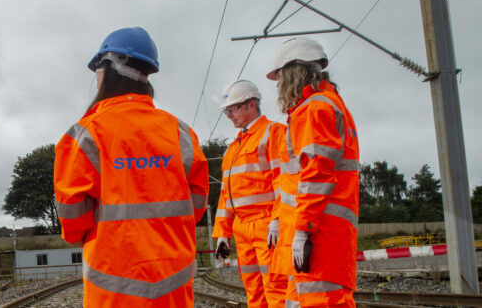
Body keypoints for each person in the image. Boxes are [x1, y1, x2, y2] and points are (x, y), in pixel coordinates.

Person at [54, 27, 209, 307]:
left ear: (108, 68)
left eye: (98, 69)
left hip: (111, 283)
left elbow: (73, 221)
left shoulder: (85, 134)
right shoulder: (181, 133)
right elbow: (196, 207)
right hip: (173, 282)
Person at [267, 37, 360, 307]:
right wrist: (279, 219)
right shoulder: (329, 105)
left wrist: (303, 230)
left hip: (319, 234)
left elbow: (317, 175)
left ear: (296, 72)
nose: (279, 84)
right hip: (320, 231)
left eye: (280, 76)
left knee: (321, 301)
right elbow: (295, 178)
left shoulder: (315, 109)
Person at [212, 80, 287, 307]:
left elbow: (285, 181)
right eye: (227, 110)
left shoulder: (273, 133)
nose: (229, 115)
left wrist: (277, 218)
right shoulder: (233, 148)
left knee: (277, 287)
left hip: (266, 226)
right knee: (253, 290)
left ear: (251, 105)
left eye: (232, 109)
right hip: (242, 230)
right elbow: (226, 196)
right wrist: (222, 234)